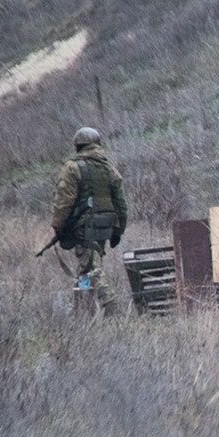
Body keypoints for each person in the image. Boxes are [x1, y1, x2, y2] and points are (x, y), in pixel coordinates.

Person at [50, 127, 127, 315]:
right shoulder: (109, 169)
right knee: (85, 268)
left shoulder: (72, 167)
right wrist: (118, 230)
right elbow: (121, 205)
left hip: (85, 228)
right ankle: (84, 312)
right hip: (105, 227)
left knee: (93, 268)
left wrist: (57, 227)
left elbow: (63, 202)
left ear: (78, 145)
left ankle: (114, 312)